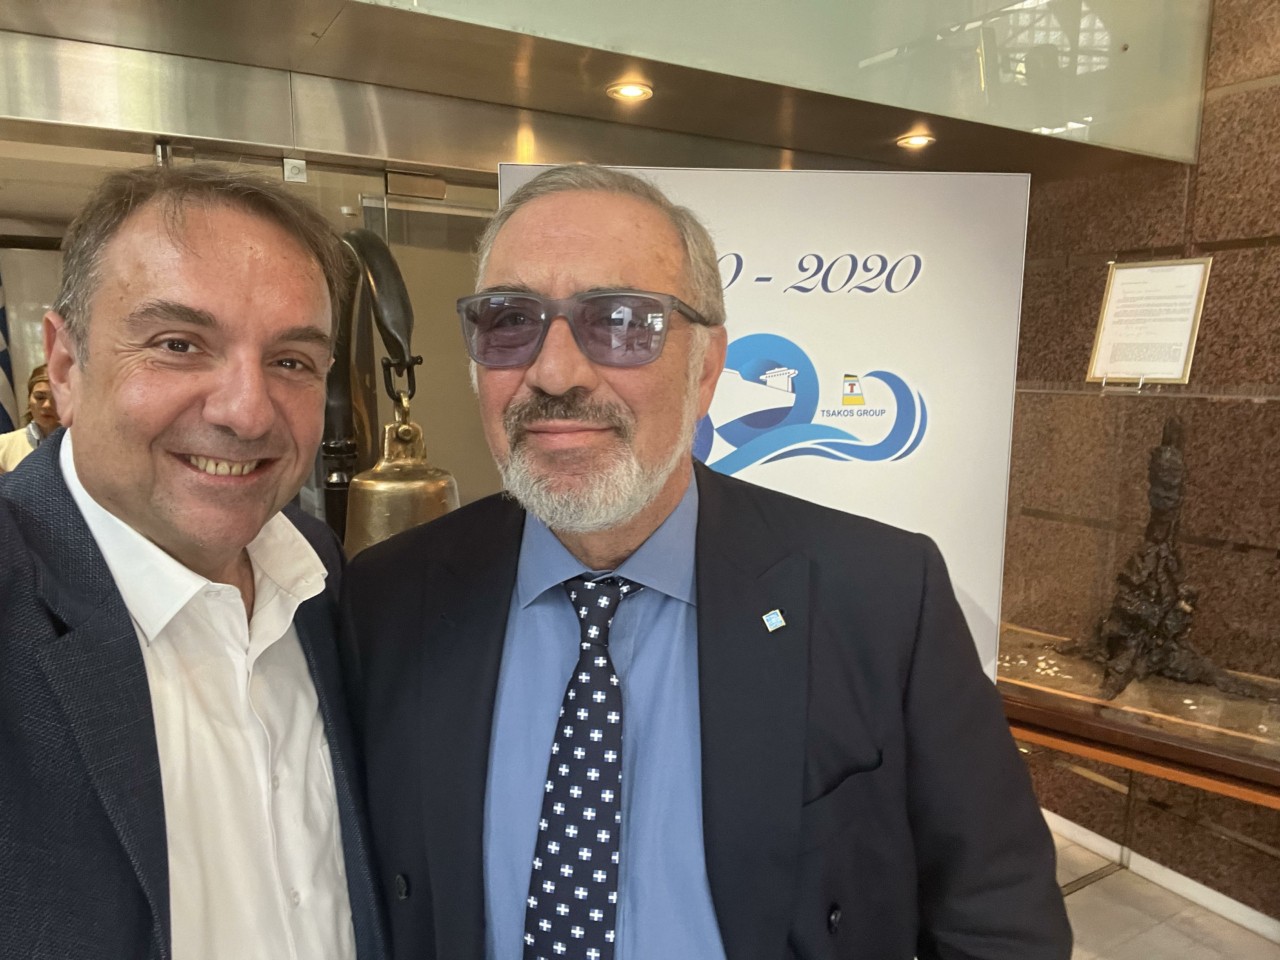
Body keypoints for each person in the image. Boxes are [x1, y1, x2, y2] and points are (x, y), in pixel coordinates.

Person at [344, 165, 1071, 960]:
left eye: (621, 322)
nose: (554, 373)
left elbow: (1000, 918)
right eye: (511, 321)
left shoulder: (882, 595)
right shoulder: (389, 601)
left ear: (707, 367)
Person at [0, 164, 386, 960]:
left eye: (291, 361)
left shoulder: (314, 570)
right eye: (178, 345)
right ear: (65, 365)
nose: (246, 411)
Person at [0, 363, 59, 472]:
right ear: (28, 399)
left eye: (56, 398)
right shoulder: (3, 446)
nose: (47, 405)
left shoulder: (81, 445)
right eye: (40, 397)